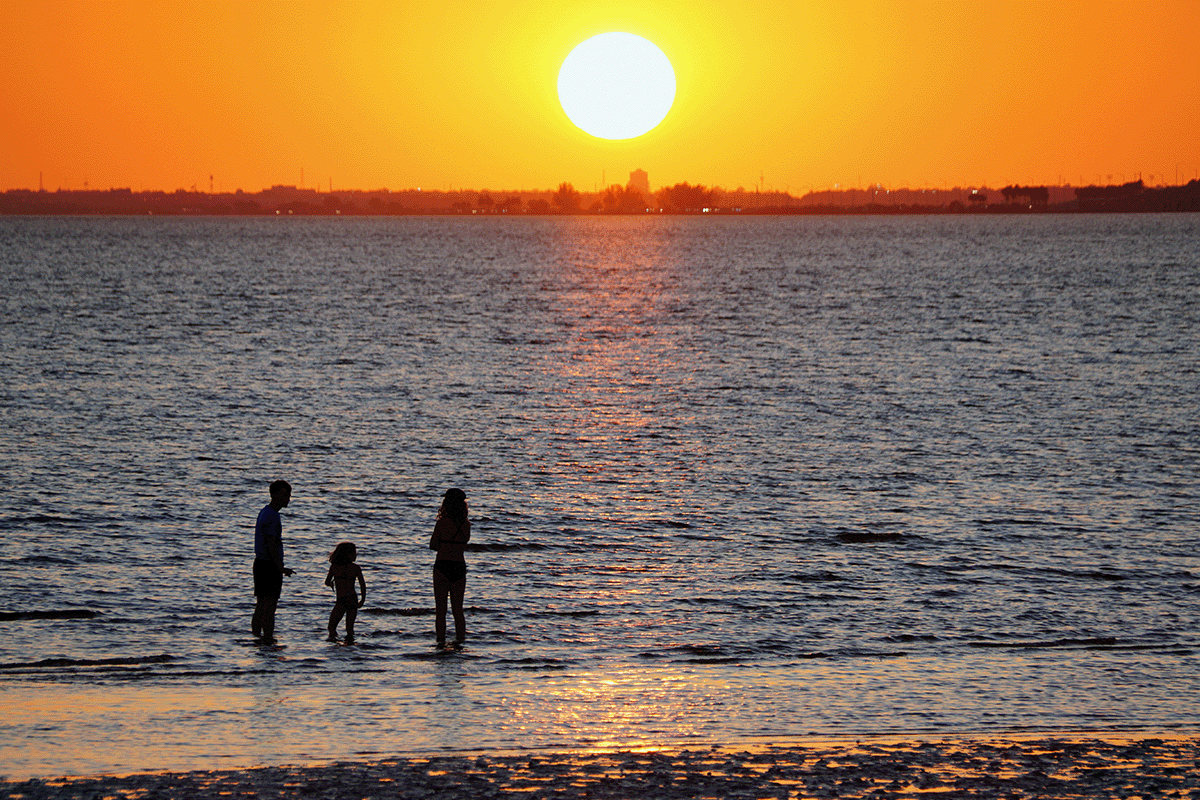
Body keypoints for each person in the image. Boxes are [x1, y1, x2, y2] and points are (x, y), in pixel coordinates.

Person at [251, 479, 294, 642]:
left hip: (261, 563)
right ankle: (267, 639)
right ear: (274, 495)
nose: (287, 498)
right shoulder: (272, 516)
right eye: (284, 494)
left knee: (261, 604)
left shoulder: (265, 512)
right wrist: (280, 567)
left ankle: (256, 637)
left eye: (289, 495)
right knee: (269, 606)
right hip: (268, 566)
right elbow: (271, 543)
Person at [429, 487, 471, 648]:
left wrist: (444, 545)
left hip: (442, 565)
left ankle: (440, 643)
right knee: (458, 610)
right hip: (459, 566)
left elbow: (433, 545)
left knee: (441, 610)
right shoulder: (467, 525)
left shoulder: (442, 523)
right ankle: (460, 642)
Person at [325, 542, 366, 642]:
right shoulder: (355, 568)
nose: (356, 555)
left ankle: (335, 644)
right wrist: (362, 600)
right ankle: (349, 647)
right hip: (352, 599)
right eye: (354, 553)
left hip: (342, 600)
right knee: (349, 628)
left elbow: (327, 581)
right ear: (347, 554)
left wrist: (331, 584)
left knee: (331, 627)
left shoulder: (334, 567)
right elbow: (362, 586)